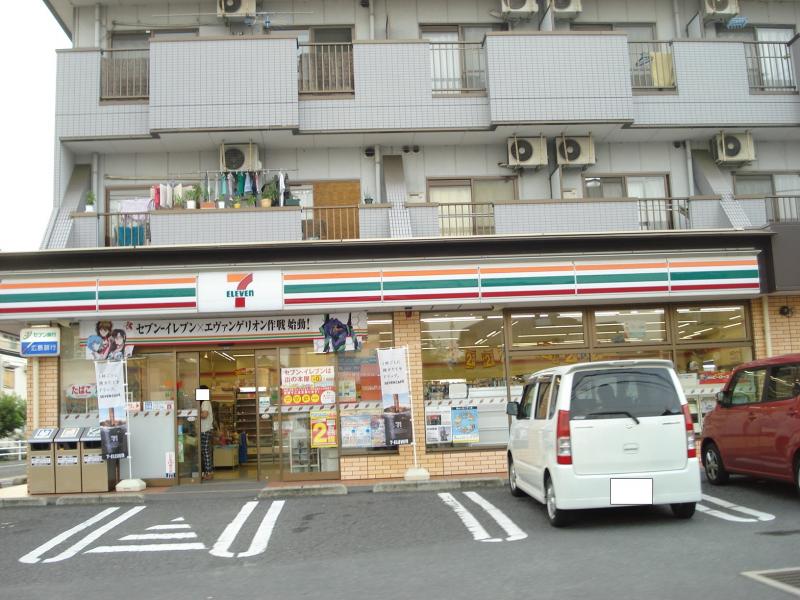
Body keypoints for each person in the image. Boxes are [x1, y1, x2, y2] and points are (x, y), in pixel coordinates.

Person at [199, 384, 214, 480]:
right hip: (206, 429)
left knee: (205, 451)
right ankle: (208, 472)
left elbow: (204, 415)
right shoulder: (205, 402)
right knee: (206, 451)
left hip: (205, 430)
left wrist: (195, 413)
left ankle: (209, 472)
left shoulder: (205, 402)